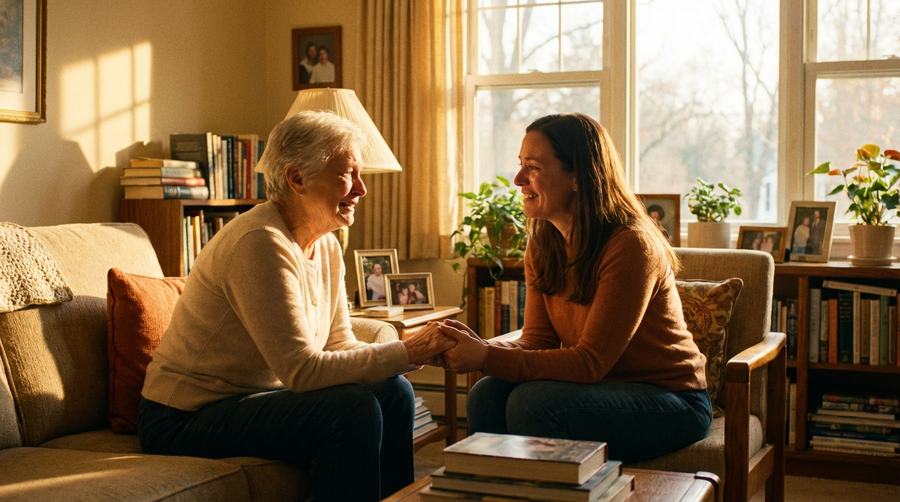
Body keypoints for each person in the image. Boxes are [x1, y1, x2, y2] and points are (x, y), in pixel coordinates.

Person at [138, 110, 455, 501]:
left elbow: (338, 343)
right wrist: (406, 350)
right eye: (348, 174)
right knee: (351, 410)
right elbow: (302, 371)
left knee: (394, 392)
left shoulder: (327, 245)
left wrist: (404, 358)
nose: (361, 189)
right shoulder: (259, 242)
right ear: (297, 179)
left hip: (248, 399)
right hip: (183, 416)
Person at [437, 113, 712, 464]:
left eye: (533, 167)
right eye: (520, 165)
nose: (518, 180)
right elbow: (538, 339)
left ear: (580, 177)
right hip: (599, 389)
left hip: (672, 401)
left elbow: (590, 363)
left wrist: (487, 357)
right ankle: (494, 488)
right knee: (486, 394)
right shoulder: (543, 244)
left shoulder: (631, 245)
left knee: (532, 404)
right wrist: (477, 347)